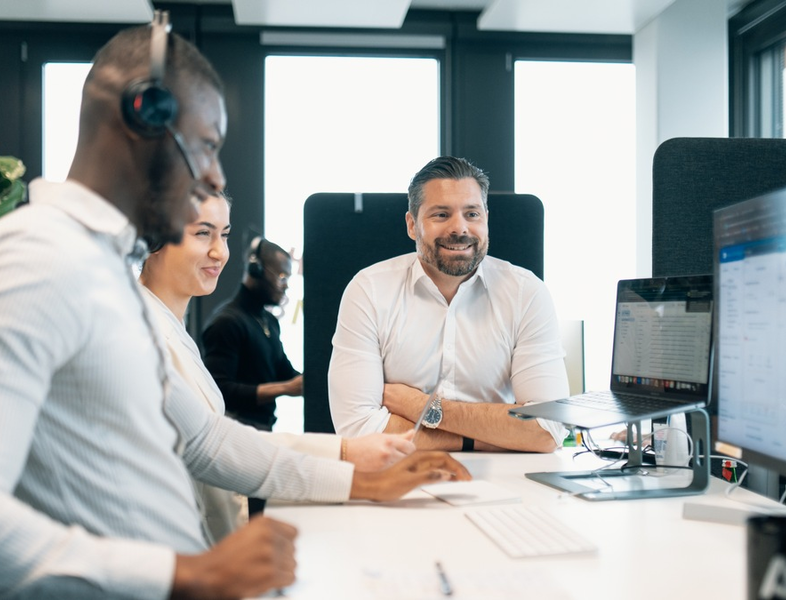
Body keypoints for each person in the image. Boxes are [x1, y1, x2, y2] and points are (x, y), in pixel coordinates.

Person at [0, 20, 470, 600]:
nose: (217, 175)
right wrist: (189, 573)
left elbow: (207, 442)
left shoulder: (105, 275)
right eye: (207, 145)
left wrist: (361, 482)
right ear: (144, 117)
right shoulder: (38, 258)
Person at [139, 190, 417, 543]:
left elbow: (219, 439)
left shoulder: (172, 328)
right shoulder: (148, 339)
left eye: (223, 235)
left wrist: (345, 451)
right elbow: (214, 448)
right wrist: (351, 469)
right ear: (152, 237)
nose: (219, 252)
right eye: (202, 233)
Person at [329, 155, 570, 453]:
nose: (460, 228)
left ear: (486, 219)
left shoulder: (526, 292)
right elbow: (358, 428)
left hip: (508, 485)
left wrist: (422, 407)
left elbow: (548, 428)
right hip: (398, 477)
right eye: (441, 215)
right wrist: (485, 437)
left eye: (472, 214)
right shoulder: (369, 291)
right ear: (412, 225)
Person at [202, 235, 300, 432]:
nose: (286, 285)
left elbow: (284, 371)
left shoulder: (269, 321)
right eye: (282, 277)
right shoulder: (227, 322)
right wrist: (286, 388)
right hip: (235, 435)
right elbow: (221, 391)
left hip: (262, 430)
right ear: (257, 270)